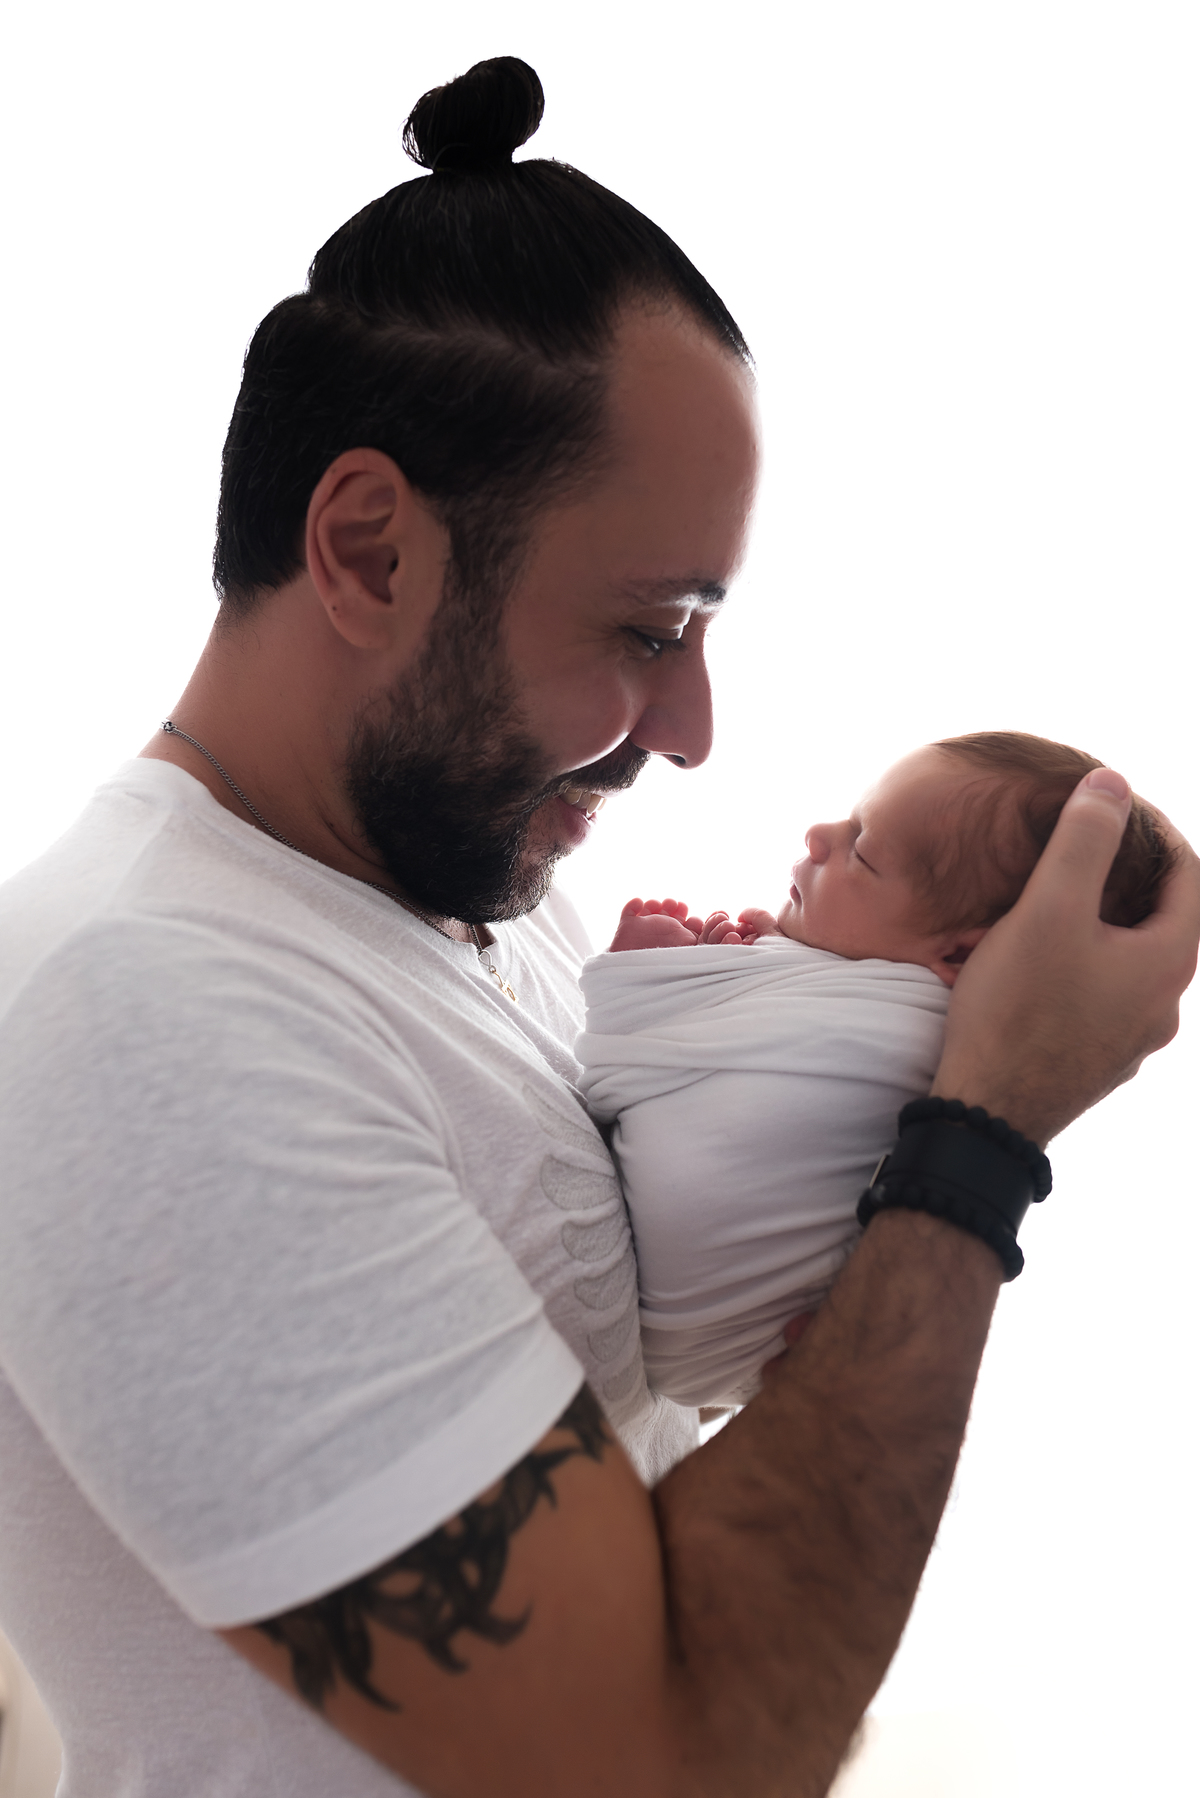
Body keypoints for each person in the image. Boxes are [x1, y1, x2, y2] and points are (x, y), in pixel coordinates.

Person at [0, 55, 1195, 1798]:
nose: (694, 729)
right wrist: (983, 1137)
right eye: (650, 628)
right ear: (369, 551)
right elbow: (663, 1767)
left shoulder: (501, 906)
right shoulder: (143, 1015)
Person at [578, 732, 1175, 1408]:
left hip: (687, 1299)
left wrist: (651, 970)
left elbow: (616, 1065)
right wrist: (751, 963)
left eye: (861, 850)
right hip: (743, 1357)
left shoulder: (907, 1025)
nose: (819, 835)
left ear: (960, 955)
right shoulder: (973, 1044)